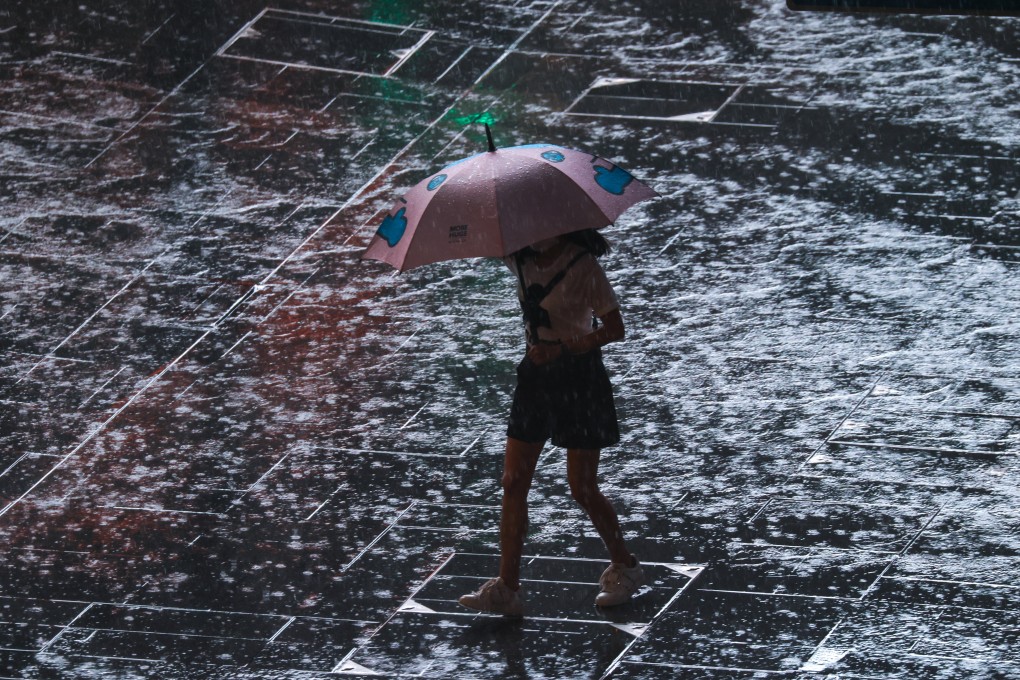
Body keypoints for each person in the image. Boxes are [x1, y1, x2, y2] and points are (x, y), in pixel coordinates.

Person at [458, 228, 642, 617]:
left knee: (582, 487)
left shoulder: (583, 265)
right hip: (536, 379)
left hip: (580, 379)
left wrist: (564, 350)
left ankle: (623, 565)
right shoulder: (519, 259)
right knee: (513, 481)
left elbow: (614, 329)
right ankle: (507, 587)